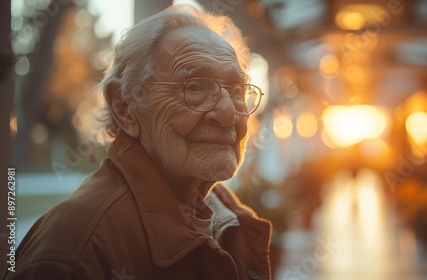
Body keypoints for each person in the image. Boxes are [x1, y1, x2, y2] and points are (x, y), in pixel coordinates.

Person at [5, 4, 272, 280]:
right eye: (195, 87)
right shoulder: (73, 252)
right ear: (124, 107)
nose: (228, 114)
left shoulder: (228, 214)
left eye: (237, 89)